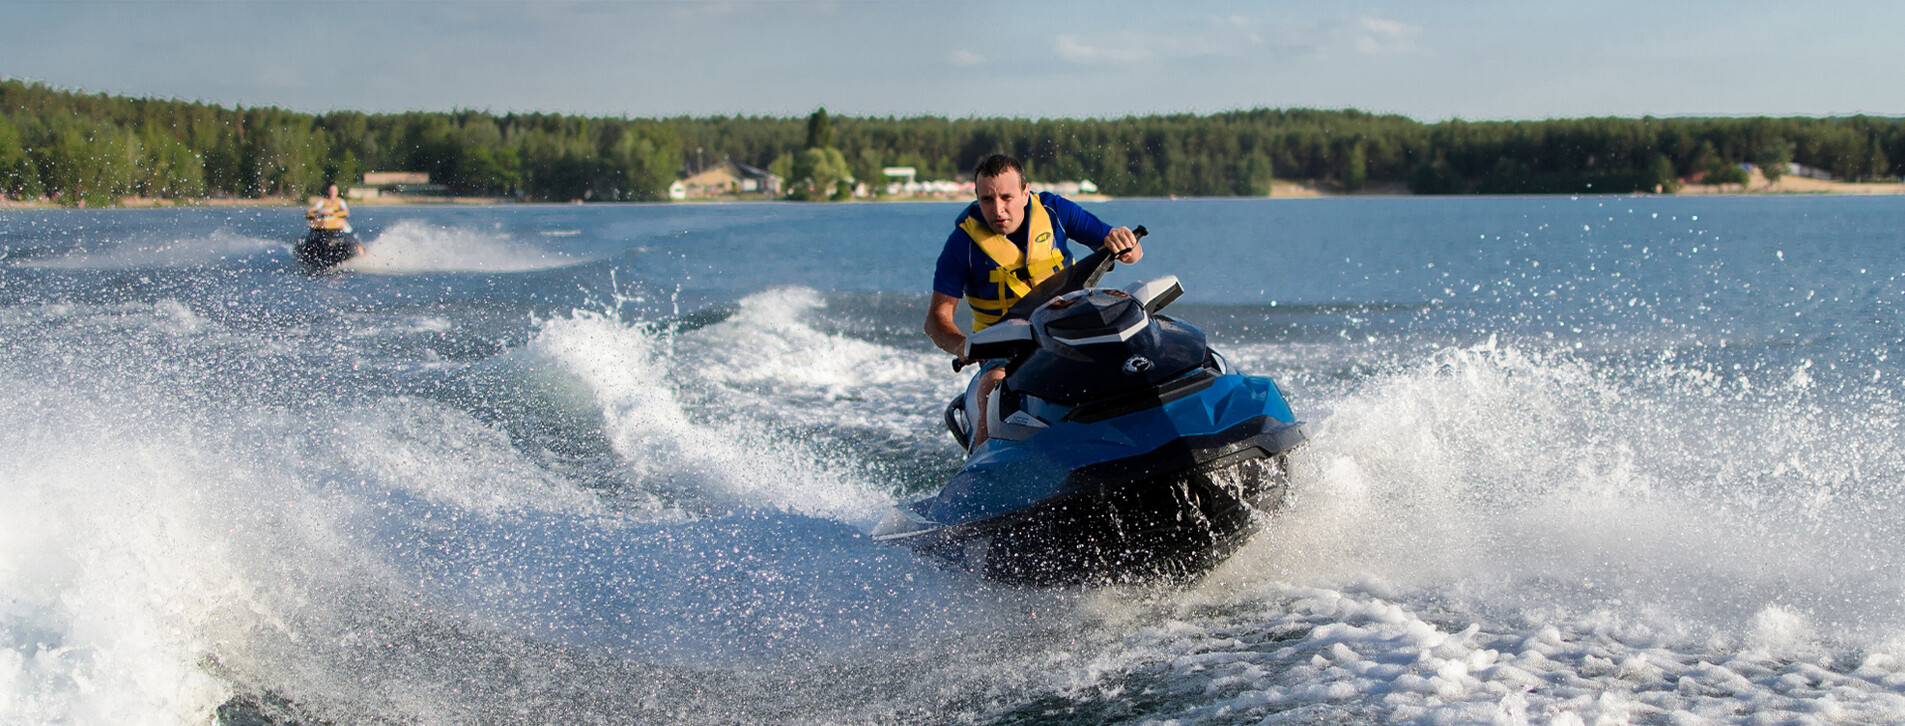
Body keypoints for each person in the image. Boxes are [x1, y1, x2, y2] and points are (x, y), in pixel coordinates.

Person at [925, 153, 1142, 449]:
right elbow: (936, 320)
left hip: (1070, 326)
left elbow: (1128, 252)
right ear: (977, 198)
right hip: (1007, 347)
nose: (998, 209)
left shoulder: (1055, 211)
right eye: (987, 199)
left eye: (1006, 197)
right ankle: (983, 466)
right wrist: (963, 346)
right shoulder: (962, 244)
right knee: (992, 385)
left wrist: (1127, 246)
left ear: (1026, 192)